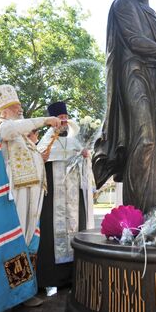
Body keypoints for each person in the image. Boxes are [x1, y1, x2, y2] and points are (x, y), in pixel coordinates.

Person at [92, 0, 156, 213]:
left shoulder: (153, 14)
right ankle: (137, 213)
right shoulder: (123, 3)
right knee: (145, 141)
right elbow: (135, 40)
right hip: (135, 74)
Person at [0, 84, 62, 312]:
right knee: (12, 242)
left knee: (28, 241)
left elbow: (32, 156)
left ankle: (23, 292)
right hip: (12, 195)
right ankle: (1, 297)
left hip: (32, 193)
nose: (20, 107)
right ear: (5, 109)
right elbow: (11, 130)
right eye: (15, 105)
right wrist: (46, 120)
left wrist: (45, 146)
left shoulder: (22, 135)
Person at [36, 101, 94, 291]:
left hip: (74, 197)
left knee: (77, 229)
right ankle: (52, 278)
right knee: (52, 234)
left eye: (65, 118)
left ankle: (75, 275)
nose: (63, 121)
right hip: (53, 198)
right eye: (59, 118)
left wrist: (86, 157)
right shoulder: (44, 141)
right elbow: (38, 161)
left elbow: (85, 164)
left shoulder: (75, 140)